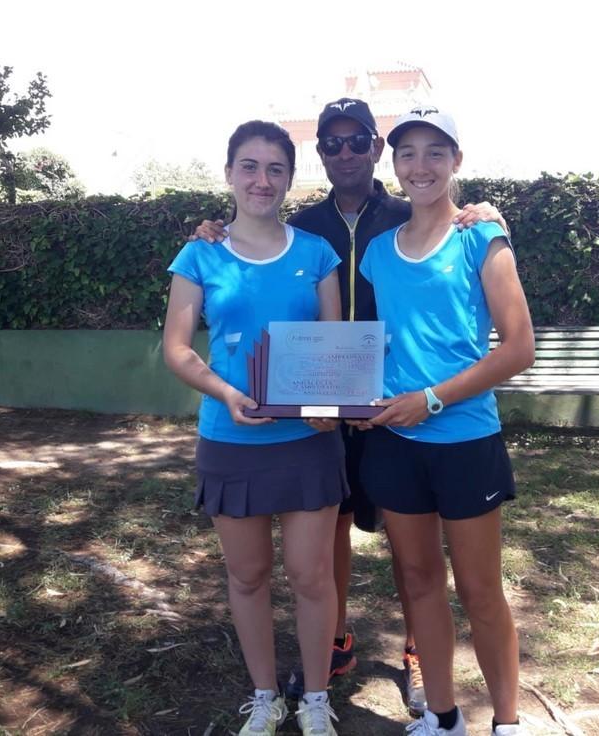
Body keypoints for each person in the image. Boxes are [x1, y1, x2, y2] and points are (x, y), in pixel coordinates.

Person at [191, 98, 509, 716]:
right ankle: (336, 643)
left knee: (406, 544)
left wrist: (483, 214)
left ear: (372, 148)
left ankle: (419, 651)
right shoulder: (304, 226)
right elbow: (250, 247)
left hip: (399, 405)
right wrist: (213, 231)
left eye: (356, 140)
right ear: (320, 155)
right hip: (323, 403)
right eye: (331, 143)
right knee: (330, 527)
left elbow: (457, 250)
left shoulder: (410, 213)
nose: (344, 152)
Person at [355, 107, 536, 736]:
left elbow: (518, 348)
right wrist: (359, 398)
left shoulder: (481, 238)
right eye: (408, 153)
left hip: (465, 442)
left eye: (436, 152)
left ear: (456, 161)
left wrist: (430, 399)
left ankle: (507, 723)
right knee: (420, 581)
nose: (420, 165)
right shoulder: (378, 252)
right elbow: (380, 343)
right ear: (394, 165)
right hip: (395, 443)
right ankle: (443, 716)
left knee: (481, 592)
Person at [163, 120, 345, 736]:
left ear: (290, 180)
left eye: (274, 169)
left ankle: (316, 698)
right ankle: (264, 696)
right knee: (247, 575)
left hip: (306, 443)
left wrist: (332, 403)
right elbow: (179, 351)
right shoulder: (199, 254)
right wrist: (227, 393)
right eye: (249, 166)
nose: (261, 179)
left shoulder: (318, 255)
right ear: (229, 174)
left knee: (311, 576)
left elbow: (334, 349)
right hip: (231, 439)